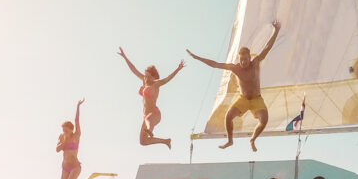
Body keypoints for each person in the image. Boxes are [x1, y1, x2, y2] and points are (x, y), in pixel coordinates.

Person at [187, 21, 280, 152]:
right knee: (228, 116)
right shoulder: (235, 68)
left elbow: (267, 47)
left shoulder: (256, 63)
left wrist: (276, 31)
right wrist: (197, 58)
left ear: (249, 57)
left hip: (256, 99)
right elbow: (215, 64)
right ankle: (230, 140)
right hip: (243, 99)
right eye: (241, 59)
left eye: (245, 59)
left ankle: (252, 139)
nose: (243, 62)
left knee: (264, 120)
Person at [118, 48, 184, 149]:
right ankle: (166, 141)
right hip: (146, 116)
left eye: (148, 77)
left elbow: (168, 78)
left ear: (153, 77)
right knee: (143, 141)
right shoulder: (144, 80)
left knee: (148, 119)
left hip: (155, 114)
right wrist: (124, 57)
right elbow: (133, 69)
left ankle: (149, 130)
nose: (146, 78)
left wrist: (178, 69)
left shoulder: (157, 84)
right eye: (145, 76)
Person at [57, 98, 86, 179]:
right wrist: (64, 140)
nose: (64, 132)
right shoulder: (62, 137)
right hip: (65, 166)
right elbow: (57, 149)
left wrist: (78, 106)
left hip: (75, 166)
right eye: (63, 130)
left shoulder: (76, 136)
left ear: (71, 129)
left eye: (66, 130)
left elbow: (77, 120)